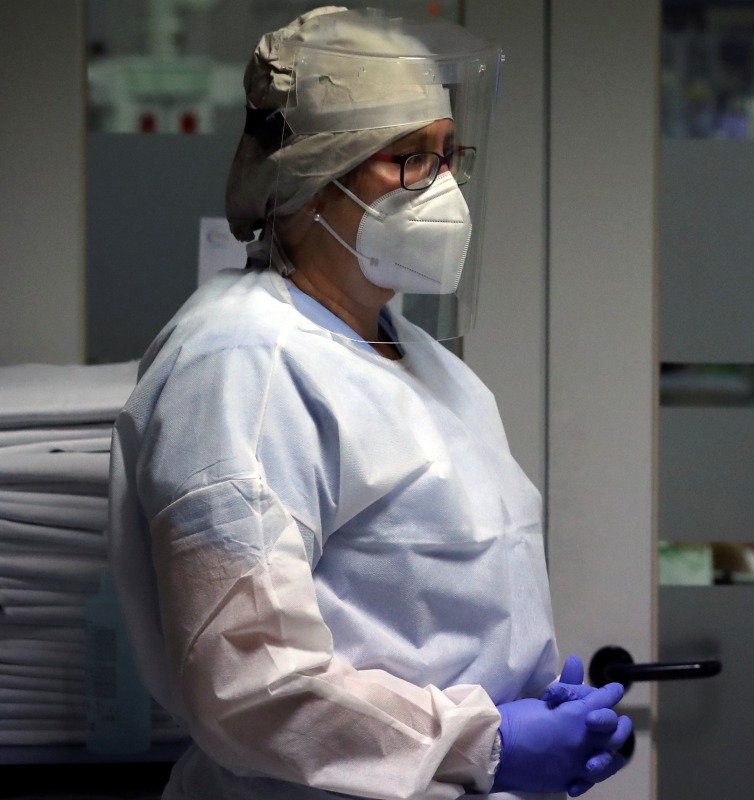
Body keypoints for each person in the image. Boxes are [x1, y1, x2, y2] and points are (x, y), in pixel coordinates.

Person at [107, 7, 631, 799]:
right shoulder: (242, 365)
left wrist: (535, 715)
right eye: (408, 158)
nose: (443, 187)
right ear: (314, 179)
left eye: (450, 155)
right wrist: (483, 743)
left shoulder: (424, 363)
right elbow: (248, 686)